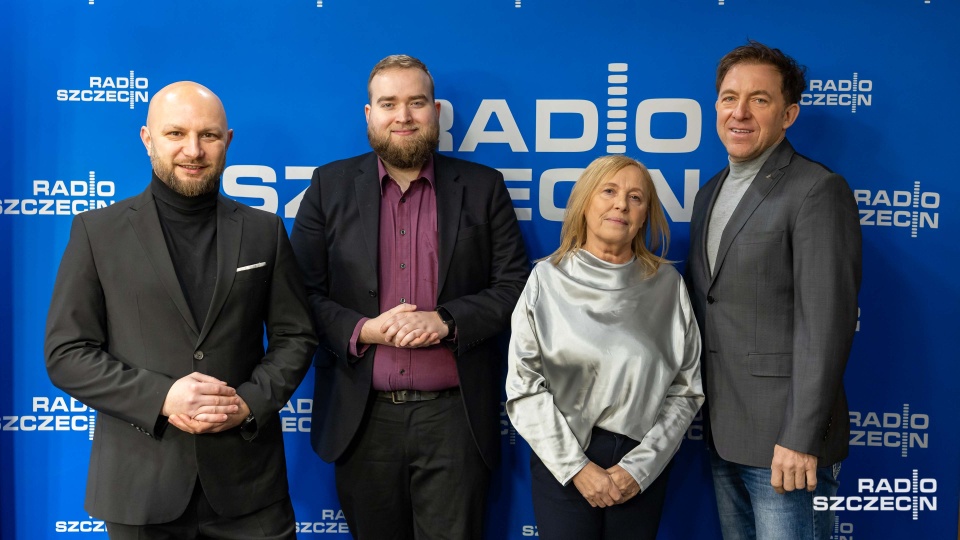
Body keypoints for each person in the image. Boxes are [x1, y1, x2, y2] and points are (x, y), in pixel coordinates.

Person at [44, 81, 318, 539]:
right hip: (140, 490)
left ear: (227, 141)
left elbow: (297, 336)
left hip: (249, 489)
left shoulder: (263, 231)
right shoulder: (97, 233)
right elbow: (67, 354)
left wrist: (248, 403)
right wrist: (163, 397)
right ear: (147, 139)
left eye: (208, 135)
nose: (193, 150)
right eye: (176, 134)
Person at [290, 54, 529, 539]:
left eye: (416, 102)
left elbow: (515, 287)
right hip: (362, 421)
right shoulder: (328, 186)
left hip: (455, 421)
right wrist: (364, 330)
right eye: (389, 103)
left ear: (435, 111)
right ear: (369, 114)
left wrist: (447, 321)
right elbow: (299, 294)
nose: (403, 116)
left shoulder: (483, 188)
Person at [685, 41, 862, 539]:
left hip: (787, 445)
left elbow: (825, 325)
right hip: (724, 433)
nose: (738, 112)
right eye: (728, 97)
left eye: (758, 100)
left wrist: (800, 438)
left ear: (788, 114)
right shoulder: (708, 193)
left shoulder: (816, 190)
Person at [506, 155, 703, 540]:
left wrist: (640, 468)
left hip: (640, 467)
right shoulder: (545, 280)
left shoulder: (667, 285)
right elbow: (524, 387)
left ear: (645, 214)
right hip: (562, 463)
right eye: (608, 191)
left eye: (635, 197)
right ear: (585, 203)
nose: (621, 204)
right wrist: (577, 468)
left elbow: (686, 389)